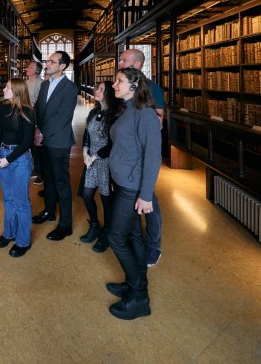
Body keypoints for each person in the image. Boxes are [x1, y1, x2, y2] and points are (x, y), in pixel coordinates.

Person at [105, 67, 162, 320]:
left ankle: (139, 296)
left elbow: (152, 157)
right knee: (133, 237)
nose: (114, 85)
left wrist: (146, 195)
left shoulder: (145, 115)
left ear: (134, 84)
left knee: (115, 238)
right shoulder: (127, 110)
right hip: (122, 182)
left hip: (132, 187)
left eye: (119, 81)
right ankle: (133, 282)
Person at [118, 48, 165, 267]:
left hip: (138, 162)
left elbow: (155, 126)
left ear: (137, 64)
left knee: (149, 201)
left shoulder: (152, 89)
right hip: (125, 159)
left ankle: (153, 245)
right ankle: (135, 243)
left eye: (124, 59)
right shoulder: (123, 85)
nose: (119, 62)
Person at [32, 50, 78, 241]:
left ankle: (65, 224)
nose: (47, 64)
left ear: (62, 66)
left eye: (52, 61)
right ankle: (49, 211)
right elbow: (38, 110)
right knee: (48, 179)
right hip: (43, 140)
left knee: (61, 182)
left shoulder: (70, 88)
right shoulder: (44, 85)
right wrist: (36, 128)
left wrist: (41, 132)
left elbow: (62, 118)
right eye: (47, 60)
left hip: (58, 142)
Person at [0, 79, 36, 257]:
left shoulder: (27, 112)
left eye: (8, 87)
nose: (4, 89)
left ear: (17, 91)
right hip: (3, 155)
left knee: (20, 201)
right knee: (8, 199)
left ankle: (23, 241)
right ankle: (8, 233)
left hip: (18, 159)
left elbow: (27, 142)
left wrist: (8, 159)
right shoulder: (4, 108)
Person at [80, 82, 121, 251]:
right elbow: (86, 134)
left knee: (106, 200)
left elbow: (113, 143)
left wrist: (94, 156)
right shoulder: (94, 112)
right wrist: (84, 152)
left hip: (106, 161)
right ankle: (95, 225)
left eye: (101, 90)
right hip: (91, 159)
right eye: (97, 88)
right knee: (87, 194)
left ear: (109, 94)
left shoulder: (115, 116)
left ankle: (107, 232)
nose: (97, 91)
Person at [25, 60, 44, 185]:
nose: (27, 68)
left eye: (30, 67)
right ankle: (35, 168)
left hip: (36, 117)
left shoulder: (41, 84)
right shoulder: (25, 83)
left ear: (37, 71)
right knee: (29, 144)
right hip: (26, 116)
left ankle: (40, 172)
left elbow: (40, 103)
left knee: (38, 146)